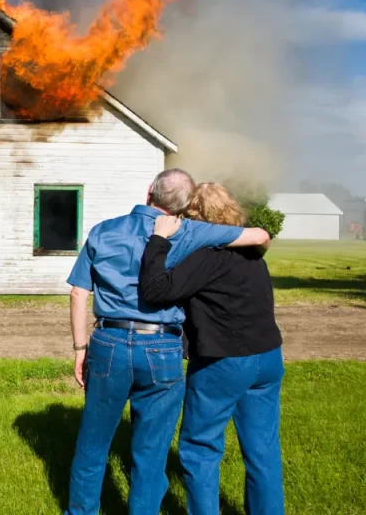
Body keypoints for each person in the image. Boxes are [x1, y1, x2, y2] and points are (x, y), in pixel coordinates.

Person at [65, 169, 271, 515]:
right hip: (162, 346)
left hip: (109, 342)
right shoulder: (189, 231)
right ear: (184, 205)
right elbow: (258, 235)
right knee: (152, 451)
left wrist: (80, 348)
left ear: (149, 191)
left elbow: (77, 292)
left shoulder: (103, 230)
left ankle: (80, 511)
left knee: (93, 443)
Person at [139, 183, 285, 515]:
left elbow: (156, 290)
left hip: (224, 362)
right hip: (268, 358)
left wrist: (158, 241)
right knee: (263, 450)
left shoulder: (207, 256)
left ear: (193, 217)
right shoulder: (253, 255)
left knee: (199, 448)